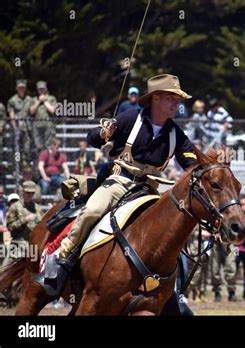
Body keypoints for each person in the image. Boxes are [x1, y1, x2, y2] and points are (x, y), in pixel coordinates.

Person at [50, 74, 197, 301]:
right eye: (172, 98)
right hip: (118, 182)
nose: (177, 103)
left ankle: (171, 294)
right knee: (92, 211)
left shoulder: (177, 134)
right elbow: (93, 138)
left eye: (178, 98)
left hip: (149, 192)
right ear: (156, 98)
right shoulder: (130, 118)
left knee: (166, 234)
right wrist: (103, 132)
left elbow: (193, 165)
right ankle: (61, 259)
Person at [2, 181, 42, 306]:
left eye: (32, 193)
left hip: (32, 245)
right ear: (22, 193)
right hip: (17, 242)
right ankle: (3, 295)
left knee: (30, 273)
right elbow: (10, 226)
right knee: (6, 270)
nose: (30, 195)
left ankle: (19, 297)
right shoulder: (15, 207)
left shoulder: (37, 208)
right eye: (27, 193)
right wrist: (25, 220)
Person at [7, 80, 33, 169]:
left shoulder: (29, 99)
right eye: (19, 87)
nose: (21, 89)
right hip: (17, 127)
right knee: (16, 150)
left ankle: (25, 167)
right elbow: (11, 114)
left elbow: (32, 111)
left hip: (27, 127)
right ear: (16, 88)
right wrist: (15, 127)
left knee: (27, 149)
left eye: (23, 87)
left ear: (25, 88)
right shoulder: (12, 100)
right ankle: (16, 168)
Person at [29, 81, 57, 156]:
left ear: (46, 89)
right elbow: (31, 111)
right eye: (39, 89)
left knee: (48, 145)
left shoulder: (51, 98)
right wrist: (38, 101)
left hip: (48, 125)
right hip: (37, 125)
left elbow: (52, 110)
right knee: (38, 146)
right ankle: (40, 162)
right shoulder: (34, 99)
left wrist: (44, 101)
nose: (41, 90)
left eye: (42, 89)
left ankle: (48, 162)